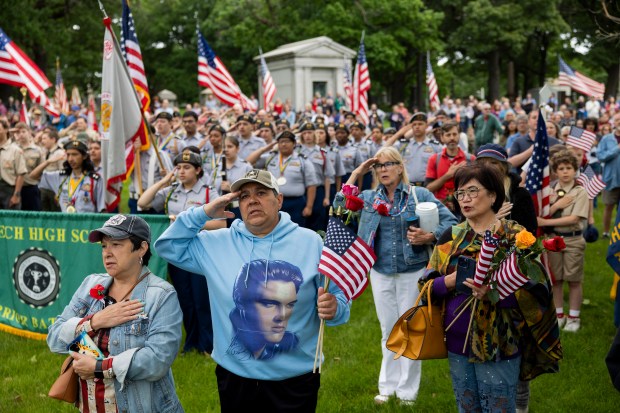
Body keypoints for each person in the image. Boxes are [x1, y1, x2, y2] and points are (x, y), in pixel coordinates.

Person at [154, 169, 350, 412]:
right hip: (236, 376)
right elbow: (166, 245)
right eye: (244, 196)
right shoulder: (217, 243)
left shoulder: (311, 243)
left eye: (261, 192)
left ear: (278, 200)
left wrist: (335, 308)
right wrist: (203, 213)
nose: (252, 200)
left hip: (296, 379)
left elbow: (339, 296)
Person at [423, 164, 561, 412]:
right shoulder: (450, 237)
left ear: (494, 195)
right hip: (457, 341)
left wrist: (496, 292)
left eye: (473, 191)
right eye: (460, 193)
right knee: (467, 407)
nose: (465, 199)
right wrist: (451, 281)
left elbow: (538, 289)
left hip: (500, 341)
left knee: (499, 408)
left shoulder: (516, 237)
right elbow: (427, 287)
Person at [335, 146, 457, 405]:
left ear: (400, 167)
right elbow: (339, 207)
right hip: (379, 271)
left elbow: (452, 223)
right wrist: (356, 172)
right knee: (387, 329)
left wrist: (430, 235)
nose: (383, 169)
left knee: (412, 329)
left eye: (388, 164)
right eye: (378, 166)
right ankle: (387, 387)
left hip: (413, 271)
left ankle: (407, 393)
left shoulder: (418, 194)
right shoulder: (369, 198)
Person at [47, 214, 184, 412]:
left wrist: (98, 367)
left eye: (117, 244)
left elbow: (158, 360)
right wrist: (95, 321)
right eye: (104, 246)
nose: (107, 253)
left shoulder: (161, 295)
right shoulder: (91, 284)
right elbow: (54, 338)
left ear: (142, 248)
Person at [138, 151, 222, 354]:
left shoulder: (208, 192)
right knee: (184, 298)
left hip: (200, 252)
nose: (181, 171)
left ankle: (207, 344)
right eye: (178, 167)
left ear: (198, 170)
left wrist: (188, 225)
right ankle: (190, 342)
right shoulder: (170, 191)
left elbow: (221, 223)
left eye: (187, 167)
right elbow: (143, 203)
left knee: (201, 299)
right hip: (175, 253)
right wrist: (164, 181)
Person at [538, 150, 588, 332]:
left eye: (569, 168)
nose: (565, 172)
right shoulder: (549, 190)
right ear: (555, 171)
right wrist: (556, 205)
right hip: (553, 238)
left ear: (575, 170)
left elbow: (575, 218)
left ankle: (574, 317)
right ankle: (559, 315)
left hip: (572, 238)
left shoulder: (579, 191)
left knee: (573, 279)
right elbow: (542, 213)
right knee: (556, 279)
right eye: (561, 168)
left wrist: (546, 221)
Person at [31, 140, 105, 213]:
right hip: (66, 223)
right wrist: (48, 162)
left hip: (87, 223)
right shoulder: (60, 177)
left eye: (75, 154)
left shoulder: (95, 180)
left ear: (84, 156)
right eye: (68, 155)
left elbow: (102, 209)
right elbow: (33, 176)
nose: (70, 159)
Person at [425, 121, 475, 214]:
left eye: (454, 134)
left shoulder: (470, 159)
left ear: (459, 136)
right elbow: (428, 188)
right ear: (442, 138)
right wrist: (448, 175)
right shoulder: (434, 159)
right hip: (441, 210)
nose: (452, 138)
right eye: (448, 135)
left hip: (465, 211)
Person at [0, 119, 27, 209]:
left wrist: (16, 195)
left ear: (6, 130)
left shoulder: (15, 150)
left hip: (9, 190)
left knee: (9, 222)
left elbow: (21, 174)